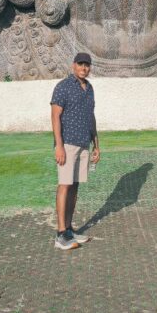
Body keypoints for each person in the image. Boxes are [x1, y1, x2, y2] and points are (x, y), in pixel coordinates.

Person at [50, 52, 100, 250]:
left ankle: (69, 229)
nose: (84, 68)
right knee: (64, 185)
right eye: (80, 64)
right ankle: (61, 234)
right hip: (68, 144)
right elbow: (55, 117)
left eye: (87, 65)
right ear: (73, 65)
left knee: (75, 186)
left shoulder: (90, 89)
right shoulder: (63, 87)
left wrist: (97, 144)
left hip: (83, 144)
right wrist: (59, 145)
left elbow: (91, 117)